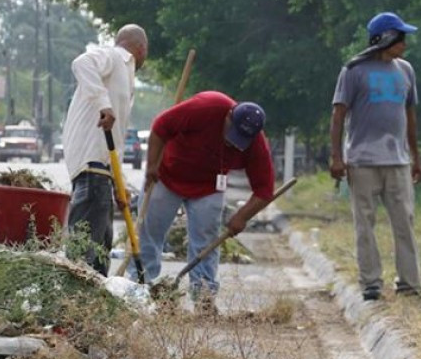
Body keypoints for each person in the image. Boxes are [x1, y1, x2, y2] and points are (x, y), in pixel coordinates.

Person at [135, 91, 275, 311]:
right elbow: (161, 126)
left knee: (206, 243)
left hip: (208, 188)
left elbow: (265, 190)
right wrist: (152, 164)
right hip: (166, 176)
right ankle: (139, 290)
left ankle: (203, 297)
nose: (233, 142)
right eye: (232, 133)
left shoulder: (255, 143)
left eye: (241, 140)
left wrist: (242, 216)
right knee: (149, 234)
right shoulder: (206, 106)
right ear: (229, 115)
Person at [329, 11, 421, 301]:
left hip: (398, 160)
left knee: (404, 222)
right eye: (400, 37)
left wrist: (416, 156)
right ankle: (371, 283)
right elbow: (338, 113)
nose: (405, 44)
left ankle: (409, 283)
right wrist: (336, 156)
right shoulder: (353, 71)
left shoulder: (406, 70)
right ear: (384, 38)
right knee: (365, 224)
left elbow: (409, 114)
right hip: (362, 160)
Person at [62, 24, 148, 276]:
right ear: (141, 48)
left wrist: (119, 186)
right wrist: (104, 104)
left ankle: (95, 308)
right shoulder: (114, 57)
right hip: (91, 166)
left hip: (102, 171)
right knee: (85, 254)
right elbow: (81, 63)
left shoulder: (124, 74)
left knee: (100, 252)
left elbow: (116, 143)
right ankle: (76, 308)